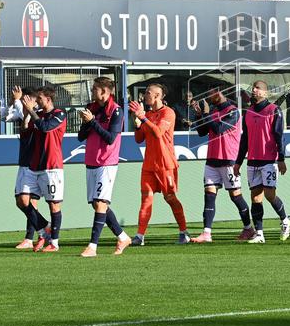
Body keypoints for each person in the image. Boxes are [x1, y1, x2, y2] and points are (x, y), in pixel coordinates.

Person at [76, 77, 131, 257]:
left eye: (95, 89)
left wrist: (92, 122)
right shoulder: (92, 108)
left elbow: (110, 138)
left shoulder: (116, 111)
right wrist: (86, 122)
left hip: (107, 162)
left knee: (100, 203)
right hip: (91, 160)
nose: (92, 92)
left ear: (105, 92)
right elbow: (81, 136)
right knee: (96, 204)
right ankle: (123, 237)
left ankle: (92, 246)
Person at [129, 84, 189, 245]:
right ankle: (140, 236)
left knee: (170, 198)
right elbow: (139, 139)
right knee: (146, 199)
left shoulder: (168, 113)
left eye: (148, 93)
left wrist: (143, 118)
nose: (145, 95)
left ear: (157, 96)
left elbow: (158, 133)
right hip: (149, 165)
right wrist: (137, 124)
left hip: (165, 164)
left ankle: (184, 232)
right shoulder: (148, 114)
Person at [192, 87, 253, 243]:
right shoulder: (212, 111)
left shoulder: (233, 111)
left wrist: (206, 114)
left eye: (211, 93)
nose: (209, 97)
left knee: (235, 196)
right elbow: (202, 132)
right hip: (212, 159)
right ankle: (206, 233)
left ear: (220, 93)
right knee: (209, 196)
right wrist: (200, 115)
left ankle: (248, 228)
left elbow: (219, 129)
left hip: (228, 159)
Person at [234, 80, 290, 243]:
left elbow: (279, 136)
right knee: (255, 198)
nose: (254, 90)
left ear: (265, 93)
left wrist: (281, 158)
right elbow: (244, 139)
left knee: (269, 194)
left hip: (269, 160)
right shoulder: (248, 112)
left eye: (258, 88)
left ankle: (285, 219)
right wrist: (238, 162)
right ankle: (259, 234)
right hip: (252, 160)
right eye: (253, 88)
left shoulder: (274, 111)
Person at [21, 86, 67, 252]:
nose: (37, 101)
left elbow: (45, 127)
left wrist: (31, 112)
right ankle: (44, 229)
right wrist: (27, 114)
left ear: (48, 99)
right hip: (35, 166)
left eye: (39, 99)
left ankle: (54, 243)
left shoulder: (59, 114)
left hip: (52, 166)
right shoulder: (37, 114)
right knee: (22, 200)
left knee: (54, 205)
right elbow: (25, 132)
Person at [8, 86, 50, 250]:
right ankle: (43, 228)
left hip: (35, 164)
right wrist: (17, 103)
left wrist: (21, 103)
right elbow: (10, 117)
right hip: (24, 161)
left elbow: (40, 127)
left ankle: (38, 235)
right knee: (21, 201)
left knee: (30, 200)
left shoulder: (40, 115)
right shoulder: (27, 114)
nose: (26, 102)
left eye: (28, 99)